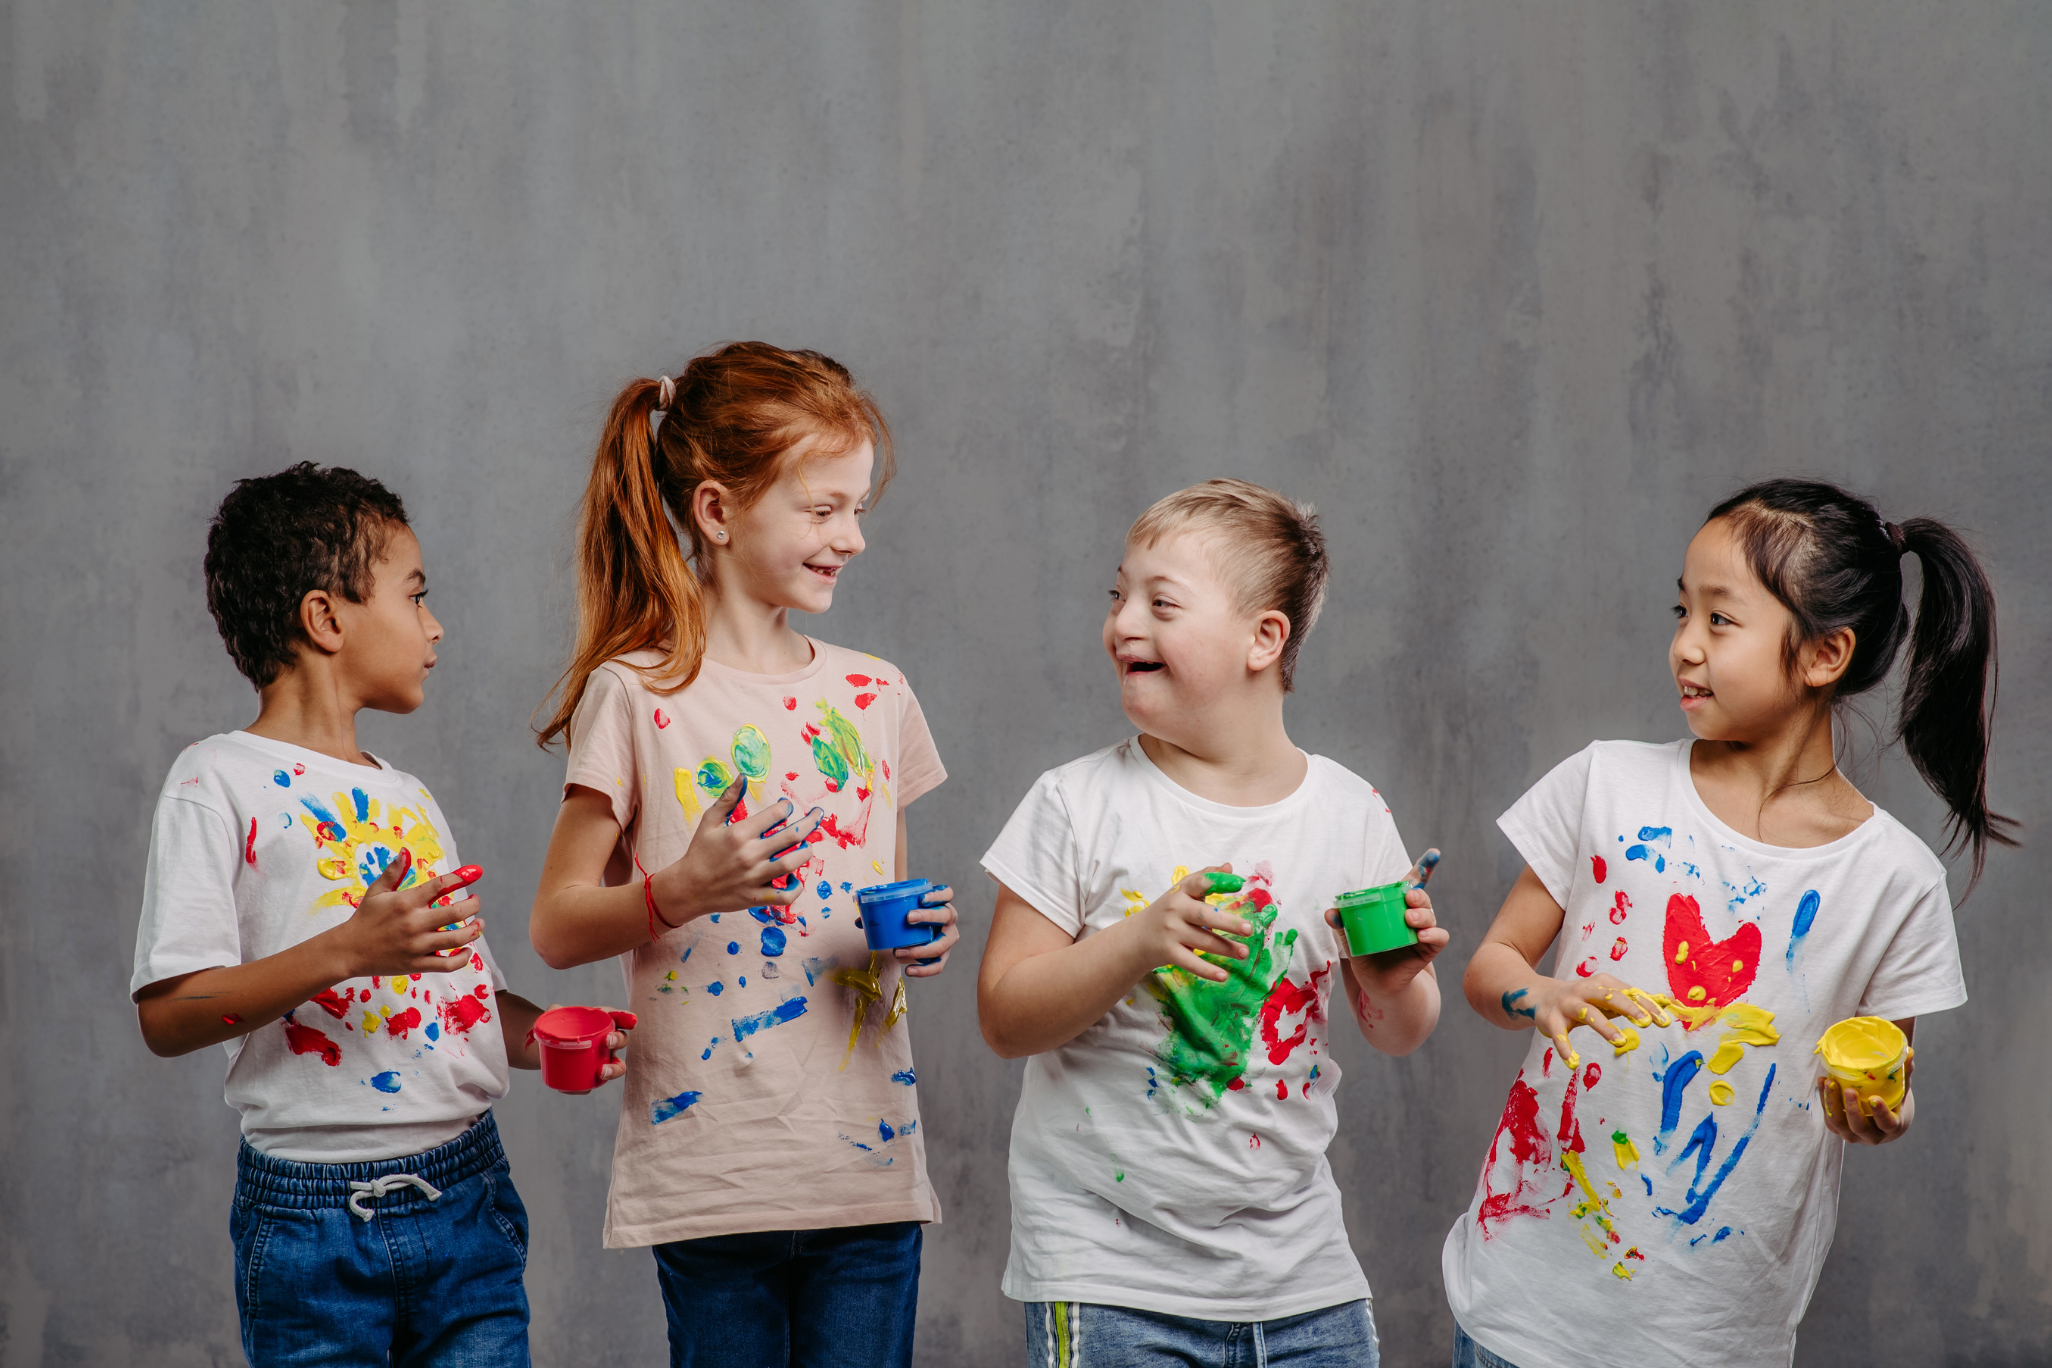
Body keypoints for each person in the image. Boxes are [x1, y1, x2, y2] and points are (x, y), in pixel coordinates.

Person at [1444, 478, 2012, 1368]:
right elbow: (1491, 966)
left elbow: (1878, 1075)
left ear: (1824, 656)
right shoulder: (1607, 784)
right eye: (1682, 612)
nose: (1683, 646)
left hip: (1709, 1339)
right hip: (1522, 1309)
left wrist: (1878, 1114)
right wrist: (1538, 994)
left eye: (1720, 620)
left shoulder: (1893, 880)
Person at [132, 463, 628, 1368]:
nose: (435, 626)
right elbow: (168, 1018)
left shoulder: (408, 796)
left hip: (468, 1197)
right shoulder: (215, 784)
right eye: (415, 595)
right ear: (327, 618)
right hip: (310, 1228)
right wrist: (347, 949)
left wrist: (556, 1031)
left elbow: (466, 998)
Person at [528, 343, 958, 1368]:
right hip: (712, 1176)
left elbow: (876, 900)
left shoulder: (877, 696)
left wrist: (913, 936)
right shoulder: (635, 696)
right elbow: (554, 925)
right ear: (717, 513)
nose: (849, 537)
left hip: (866, 1171)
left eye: (857, 510)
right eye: (821, 510)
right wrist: (676, 890)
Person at [976, 478, 1446, 1367]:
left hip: (1302, 1275)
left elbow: (1398, 1032)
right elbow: (1004, 1017)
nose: (1122, 623)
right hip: (1109, 1272)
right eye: (1118, 595)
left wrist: (1392, 983)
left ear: (1263, 639)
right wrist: (1139, 941)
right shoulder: (1076, 805)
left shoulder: (1350, 814)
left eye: (1161, 603)